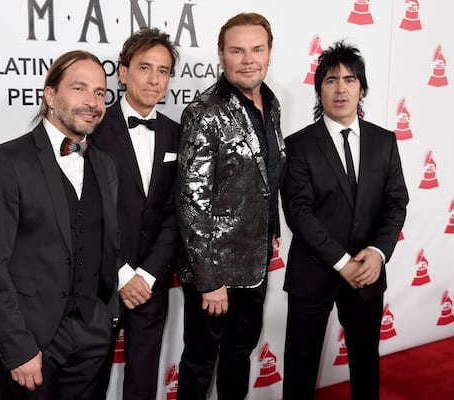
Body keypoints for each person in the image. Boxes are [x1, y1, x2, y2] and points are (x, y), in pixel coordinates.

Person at [0, 50, 120, 400]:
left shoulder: (105, 165)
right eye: (79, 88)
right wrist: (18, 345)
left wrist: (107, 317)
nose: (92, 102)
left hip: (94, 333)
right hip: (32, 337)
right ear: (50, 95)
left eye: (100, 92)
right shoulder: (7, 161)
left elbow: (108, 243)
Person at [281, 40, 409, 400]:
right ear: (319, 88)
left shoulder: (385, 142)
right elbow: (298, 210)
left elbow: (396, 202)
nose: (341, 89)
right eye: (331, 80)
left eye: (350, 80)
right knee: (301, 367)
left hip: (368, 271)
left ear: (362, 88)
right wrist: (341, 261)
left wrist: (377, 252)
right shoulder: (299, 145)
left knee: (366, 363)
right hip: (313, 272)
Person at [175, 12, 286, 400]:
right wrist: (209, 280)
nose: (248, 58)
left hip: (255, 265)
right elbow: (191, 201)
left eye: (257, 49)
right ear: (221, 56)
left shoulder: (271, 106)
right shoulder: (204, 112)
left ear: (269, 53)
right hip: (215, 273)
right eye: (237, 50)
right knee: (201, 362)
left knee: (239, 356)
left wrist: (270, 234)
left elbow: (265, 180)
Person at [92, 28, 180, 400]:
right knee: (89, 381)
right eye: (145, 68)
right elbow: (86, 211)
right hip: (99, 282)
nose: (154, 79)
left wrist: (145, 274)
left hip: (152, 283)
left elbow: (177, 212)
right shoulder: (93, 127)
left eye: (163, 71)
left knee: (144, 384)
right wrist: (123, 272)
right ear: (123, 72)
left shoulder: (178, 134)